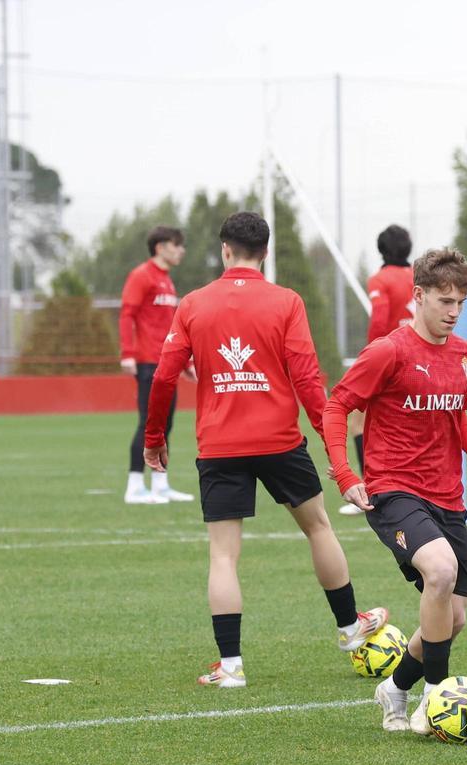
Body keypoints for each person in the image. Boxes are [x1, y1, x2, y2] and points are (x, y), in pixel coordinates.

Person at [143, 211, 387, 688]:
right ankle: (349, 629)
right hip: (280, 441)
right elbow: (307, 378)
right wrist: (329, 435)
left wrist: (155, 440)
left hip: (219, 446)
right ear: (267, 253)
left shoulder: (193, 303)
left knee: (223, 557)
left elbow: (164, 377)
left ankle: (231, 667)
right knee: (318, 528)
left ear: (224, 250)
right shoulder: (286, 302)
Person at [323, 247, 467, 735]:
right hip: (393, 490)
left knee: (453, 617)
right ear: (418, 296)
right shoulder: (388, 352)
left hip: (448, 497)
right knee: (440, 571)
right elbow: (337, 408)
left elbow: (457, 416)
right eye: (445, 301)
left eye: (461, 302)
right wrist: (347, 476)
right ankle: (436, 699)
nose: (454, 312)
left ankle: (394, 688)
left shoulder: (465, 355)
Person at [339, 224, 416, 517]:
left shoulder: (380, 279)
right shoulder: (418, 277)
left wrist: (372, 355)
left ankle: (369, 491)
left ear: (381, 250)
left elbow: (380, 318)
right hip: (420, 356)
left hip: (390, 357)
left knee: (358, 423)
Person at [120, 226, 196, 504]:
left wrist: (184, 360)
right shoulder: (141, 276)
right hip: (148, 362)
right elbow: (127, 314)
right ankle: (135, 485)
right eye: (177, 245)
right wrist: (128, 353)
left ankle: (160, 484)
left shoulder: (166, 280)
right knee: (148, 423)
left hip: (166, 362)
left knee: (166, 425)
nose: (181, 250)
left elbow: (169, 328)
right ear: (160, 247)